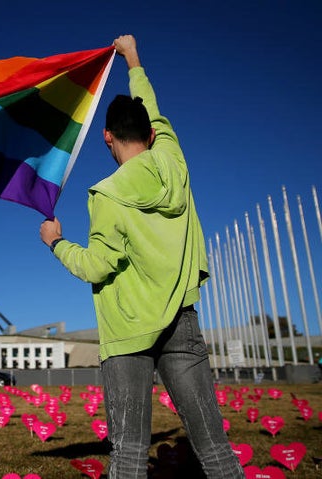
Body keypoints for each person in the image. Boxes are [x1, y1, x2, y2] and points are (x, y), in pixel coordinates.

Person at [40, 35, 244, 478]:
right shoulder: (174, 159)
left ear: (107, 136)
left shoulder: (107, 194)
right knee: (214, 447)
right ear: (152, 134)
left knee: (129, 453)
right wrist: (133, 58)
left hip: (129, 331)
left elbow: (96, 265)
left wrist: (57, 243)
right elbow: (149, 104)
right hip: (182, 322)